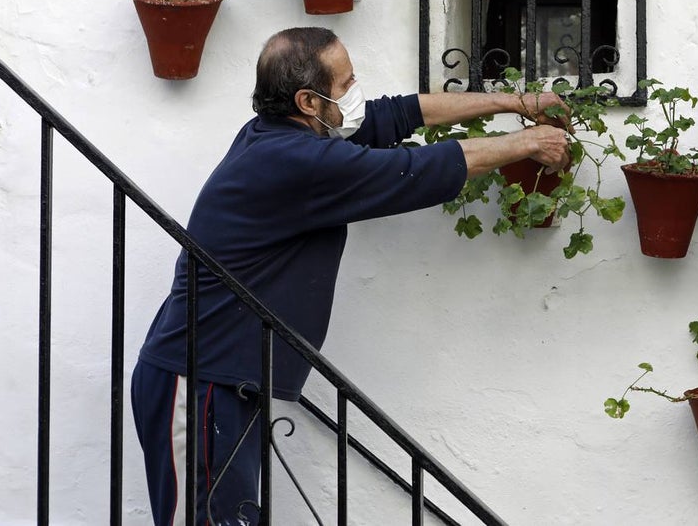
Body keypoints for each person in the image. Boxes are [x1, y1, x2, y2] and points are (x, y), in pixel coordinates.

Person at [131, 26, 570, 525]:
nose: (356, 91)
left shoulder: (286, 133)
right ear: (308, 101)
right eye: (346, 84)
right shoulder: (294, 160)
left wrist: (514, 102)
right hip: (198, 382)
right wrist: (526, 141)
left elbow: (399, 114)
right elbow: (415, 169)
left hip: (224, 378)